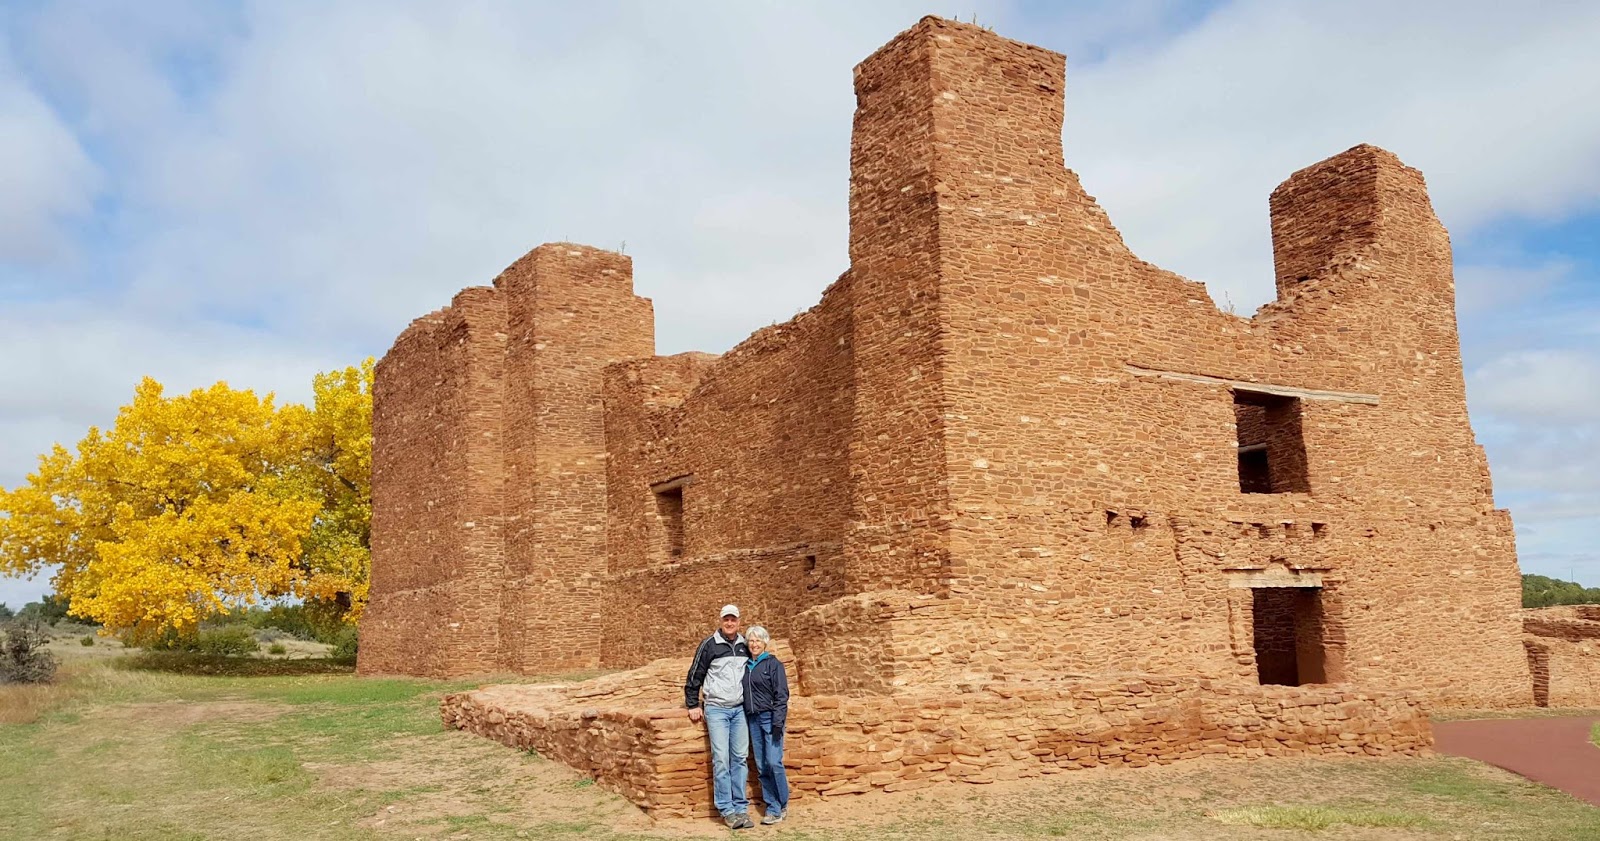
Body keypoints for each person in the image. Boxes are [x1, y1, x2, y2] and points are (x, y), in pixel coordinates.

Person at [684, 604, 753, 829]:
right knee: (721, 759)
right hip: (717, 709)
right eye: (726, 619)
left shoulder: (745, 644)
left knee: (740, 758)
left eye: (733, 619)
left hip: (740, 709)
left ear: (739, 621)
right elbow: (696, 673)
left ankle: (741, 808)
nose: (730, 623)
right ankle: (727, 809)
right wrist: (693, 703)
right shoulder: (709, 645)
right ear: (720, 620)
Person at [742, 626, 790, 825]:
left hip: (770, 717)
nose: (754, 644)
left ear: (765, 643)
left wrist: (778, 721)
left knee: (774, 762)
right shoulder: (746, 666)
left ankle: (782, 802)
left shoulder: (773, 664)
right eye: (751, 641)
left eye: (758, 641)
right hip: (753, 718)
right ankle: (773, 807)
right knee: (762, 765)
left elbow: (782, 695)